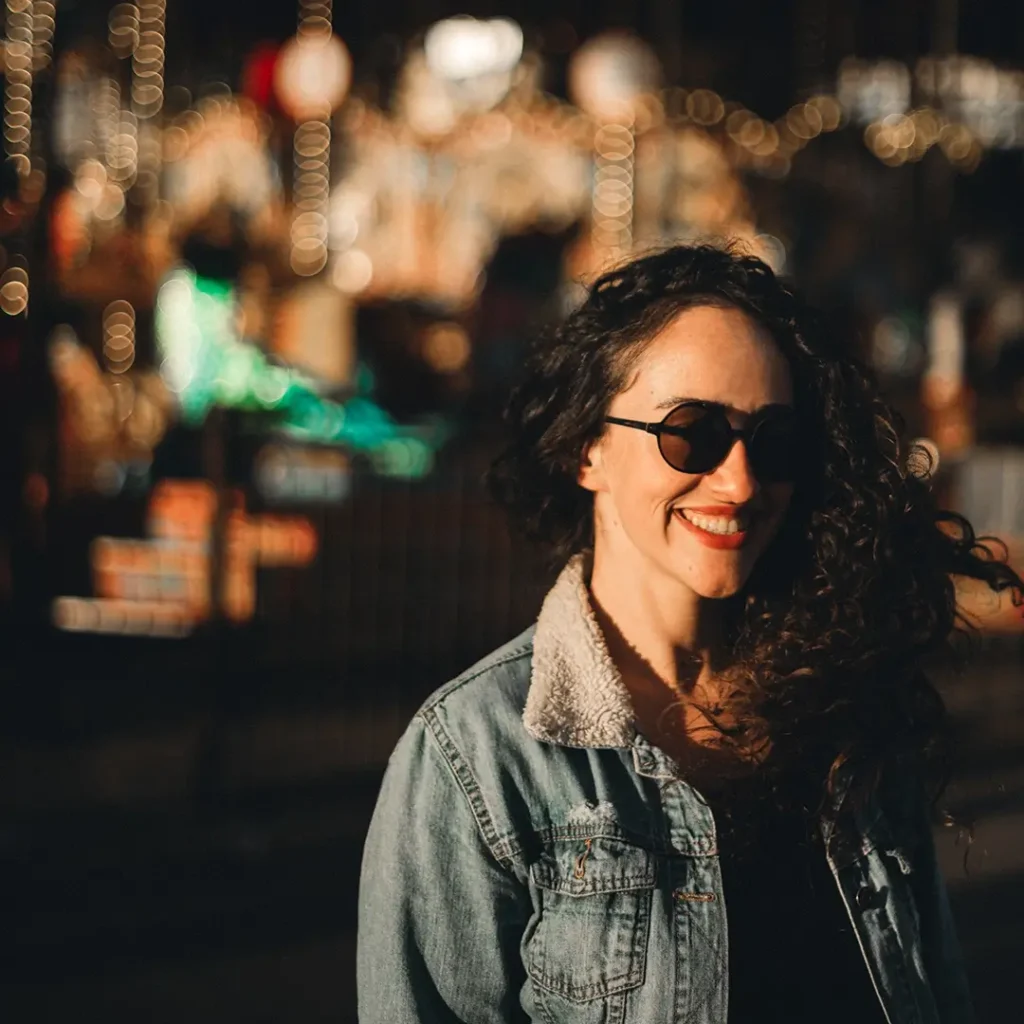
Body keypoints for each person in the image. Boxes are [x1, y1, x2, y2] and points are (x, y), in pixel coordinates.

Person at [356, 243, 1023, 1023]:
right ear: (587, 447)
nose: (739, 482)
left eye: (772, 440)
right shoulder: (477, 754)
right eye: (692, 433)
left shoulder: (845, 712)